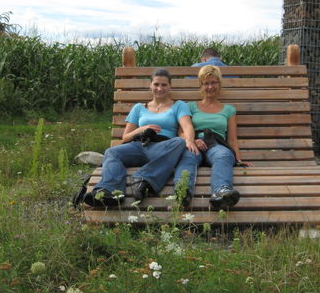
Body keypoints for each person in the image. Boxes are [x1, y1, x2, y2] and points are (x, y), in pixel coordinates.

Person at [84, 69, 198, 207]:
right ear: (150, 86)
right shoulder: (138, 108)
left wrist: (190, 140)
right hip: (140, 145)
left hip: (163, 148)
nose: (159, 88)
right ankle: (110, 191)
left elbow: (187, 126)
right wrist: (141, 129)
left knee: (179, 142)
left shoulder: (179, 105)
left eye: (164, 85)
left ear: (170, 86)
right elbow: (125, 138)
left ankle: (144, 177)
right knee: (111, 152)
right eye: (156, 84)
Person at [173, 65, 253, 209]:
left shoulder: (229, 110)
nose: (210, 86)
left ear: (219, 84)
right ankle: (182, 193)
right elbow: (181, 131)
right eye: (206, 83)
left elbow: (232, 139)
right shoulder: (190, 106)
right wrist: (192, 140)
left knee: (224, 155)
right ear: (201, 86)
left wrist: (239, 160)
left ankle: (221, 192)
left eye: (214, 82)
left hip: (216, 145)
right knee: (187, 158)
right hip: (194, 143)